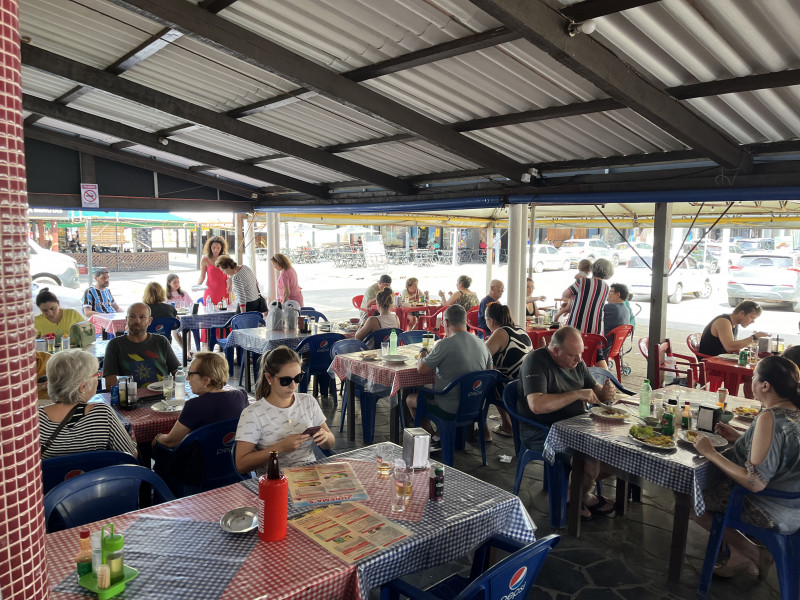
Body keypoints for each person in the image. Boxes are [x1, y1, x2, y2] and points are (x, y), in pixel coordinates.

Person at [693, 355, 800, 578]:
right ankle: (738, 556)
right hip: (793, 506)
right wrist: (741, 438)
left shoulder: (769, 417)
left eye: (753, 377)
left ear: (765, 385)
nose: (751, 382)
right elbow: (778, 451)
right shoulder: (794, 414)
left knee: (691, 498)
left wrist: (710, 453)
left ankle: (753, 552)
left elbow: (755, 481)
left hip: (770, 509)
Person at [517, 326, 616, 519]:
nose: (579, 360)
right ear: (555, 351)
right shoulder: (535, 362)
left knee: (616, 452)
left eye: (580, 354)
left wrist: (604, 393)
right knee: (588, 461)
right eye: (572, 355)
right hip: (543, 431)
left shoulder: (576, 362)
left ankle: (578, 489)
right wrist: (577, 394)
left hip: (578, 426)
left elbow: (593, 389)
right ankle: (576, 495)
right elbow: (536, 405)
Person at [152, 352, 249, 491]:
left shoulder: (195, 405)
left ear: (206, 380)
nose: (187, 378)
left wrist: (156, 438)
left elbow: (171, 442)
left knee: (155, 448)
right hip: (233, 468)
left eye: (191, 374)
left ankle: (152, 498)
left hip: (198, 476)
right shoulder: (241, 396)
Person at [235, 346, 335, 474]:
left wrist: (325, 437)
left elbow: (330, 443)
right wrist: (280, 448)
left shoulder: (308, 401)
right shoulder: (252, 414)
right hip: (274, 480)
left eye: (298, 378)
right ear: (269, 378)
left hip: (310, 475)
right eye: (285, 380)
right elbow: (241, 465)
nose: (293, 386)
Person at [406, 305, 493, 442]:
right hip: (476, 405)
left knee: (411, 399)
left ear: (445, 323)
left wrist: (423, 352)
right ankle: (442, 436)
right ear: (465, 321)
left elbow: (422, 369)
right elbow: (489, 372)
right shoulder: (482, 343)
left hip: (450, 408)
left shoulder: (444, 344)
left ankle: (432, 437)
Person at [38, 350, 136, 459]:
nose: (98, 379)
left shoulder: (36, 419)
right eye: (97, 375)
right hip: (99, 476)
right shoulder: (102, 413)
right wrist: (133, 440)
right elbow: (130, 455)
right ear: (83, 386)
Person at [102, 303, 180, 389]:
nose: (137, 321)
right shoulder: (115, 345)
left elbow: (178, 372)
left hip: (162, 397)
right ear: (126, 319)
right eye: (132, 316)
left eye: (142, 317)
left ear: (149, 321)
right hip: (131, 399)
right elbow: (111, 385)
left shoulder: (161, 341)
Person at [485, 302, 532, 438]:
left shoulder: (500, 332)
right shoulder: (519, 329)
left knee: (481, 386)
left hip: (512, 386)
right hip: (526, 382)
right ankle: (507, 423)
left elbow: (482, 355)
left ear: (491, 320)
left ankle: (496, 428)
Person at [560, 258, 614, 335]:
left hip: (575, 328)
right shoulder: (606, 287)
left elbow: (565, 294)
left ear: (593, 267)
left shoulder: (582, 281)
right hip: (595, 329)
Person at [698, 300, 769, 356]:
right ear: (741, 313)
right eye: (751, 317)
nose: (753, 321)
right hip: (711, 363)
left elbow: (734, 346)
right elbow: (730, 347)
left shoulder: (734, 323)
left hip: (720, 360)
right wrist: (754, 337)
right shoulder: (723, 321)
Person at [197, 235, 229, 349]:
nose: (216, 250)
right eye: (214, 247)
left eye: (218, 248)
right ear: (210, 247)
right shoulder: (205, 259)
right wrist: (197, 285)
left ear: (222, 248)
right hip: (210, 293)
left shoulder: (226, 258)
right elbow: (202, 276)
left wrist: (230, 287)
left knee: (225, 316)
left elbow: (229, 275)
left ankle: (224, 342)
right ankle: (207, 343)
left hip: (224, 292)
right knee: (209, 318)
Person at [595, 283, 631, 370]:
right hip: (613, 348)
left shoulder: (610, 308)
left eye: (609, 292)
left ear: (618, 294)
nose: (607, 294)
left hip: (601, 349)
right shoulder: (626, 309)